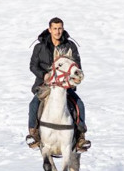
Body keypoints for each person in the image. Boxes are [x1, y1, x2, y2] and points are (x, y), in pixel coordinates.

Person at [26, 17, 90, 152]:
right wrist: (44, 75)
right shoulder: (40, 47)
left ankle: (80, 137)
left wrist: (74, 78)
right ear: (49, 29)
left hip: (64, 85)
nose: (57, 31)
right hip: (45, 84)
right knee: (33, 104)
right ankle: (34, 134)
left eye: (60, 28)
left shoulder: (70, 46)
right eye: (54, 28)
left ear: (63, 29)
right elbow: (33, 66)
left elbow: (76, 65)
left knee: (79, 104)